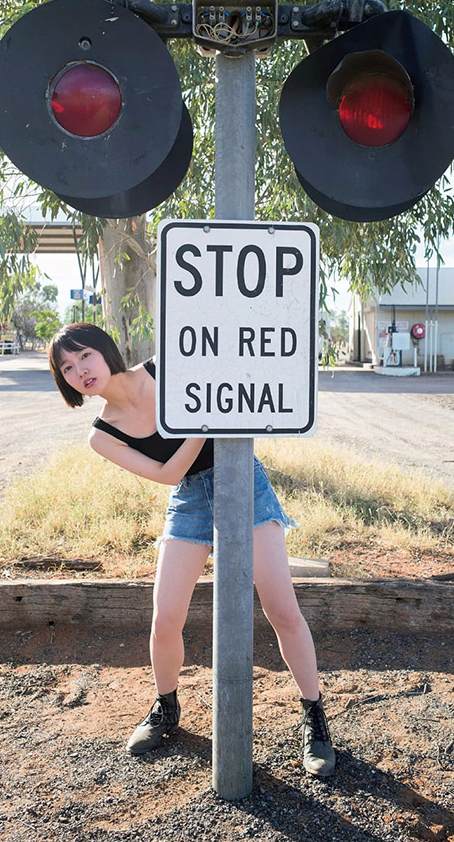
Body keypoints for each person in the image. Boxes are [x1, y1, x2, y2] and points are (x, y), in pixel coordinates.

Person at [48, 322, 335, 777]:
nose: (79, 370)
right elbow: (165, 473)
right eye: (66, 367)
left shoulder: (168, 366)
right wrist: (206, 423)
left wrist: (214, 415)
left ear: (105, 350)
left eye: (84, 356)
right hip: (187, 497)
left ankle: (315, 716)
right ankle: (166, 708)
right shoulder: (102, 433)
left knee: (282, 609)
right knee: (165, 619)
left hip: (241, 478)